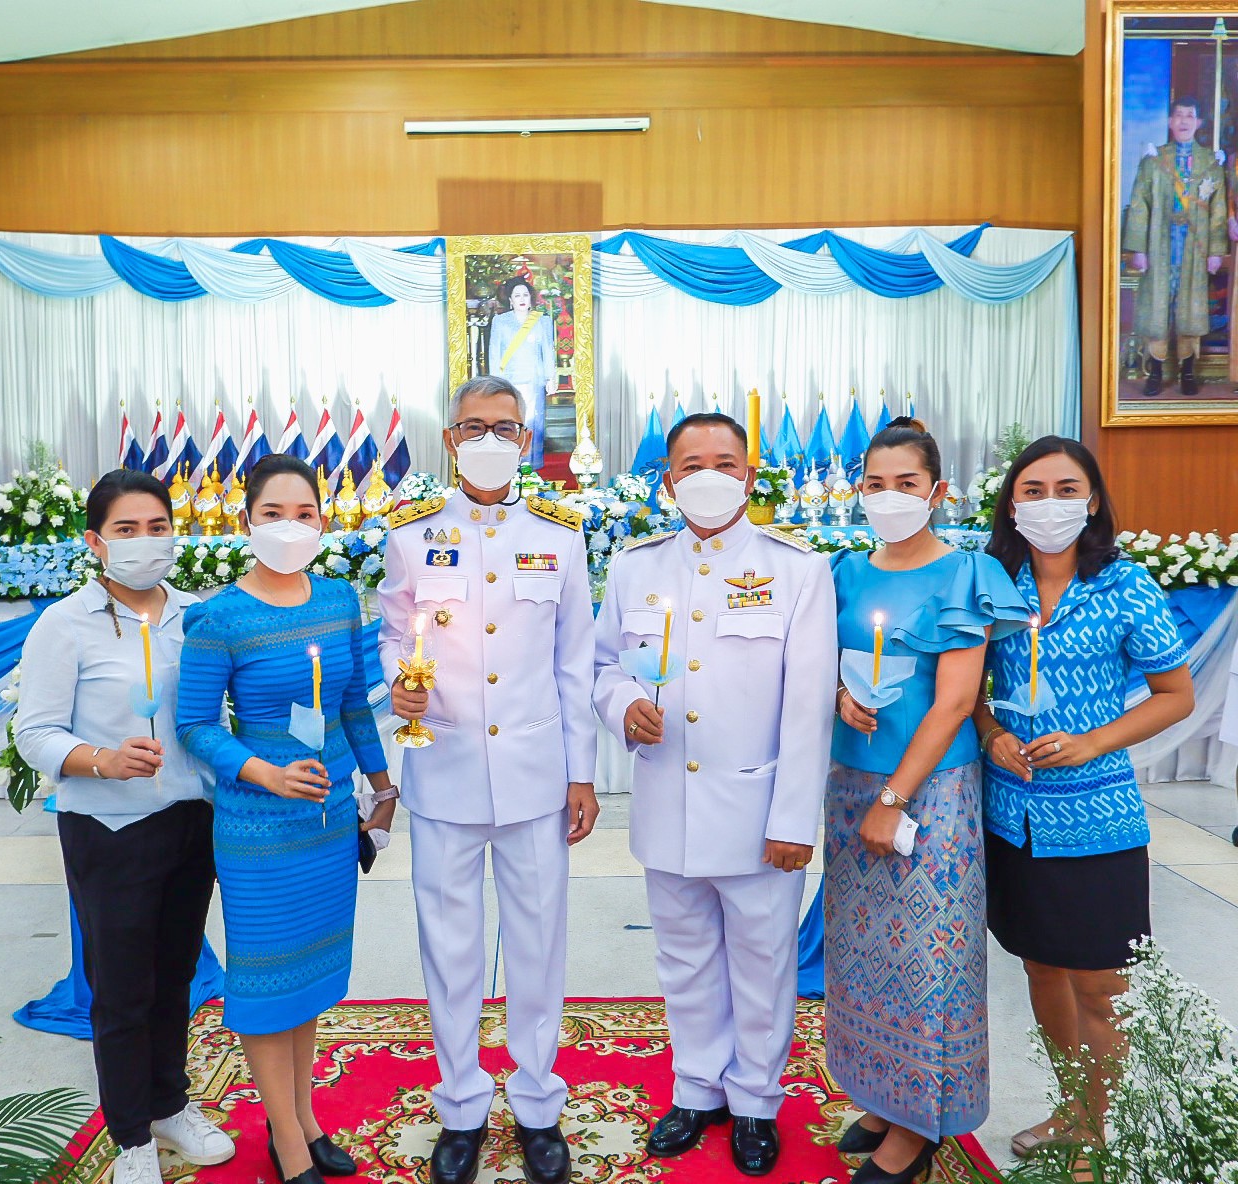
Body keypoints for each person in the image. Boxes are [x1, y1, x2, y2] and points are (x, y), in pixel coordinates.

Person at [593, 412, 838, 1177]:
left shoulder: (796, 569)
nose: (708, 476)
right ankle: (697, 1088)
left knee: (763, 963)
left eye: (724, 463)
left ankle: (756, 1100)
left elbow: (807, 706)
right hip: (667, 805)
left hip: (758, 813)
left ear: (748, 474)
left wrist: (795, 818)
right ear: (668, 479)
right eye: (691, 464)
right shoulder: (635, 566)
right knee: (685, 958)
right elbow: (604, 666)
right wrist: (622, 706)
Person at [377, 375, 598, 1184]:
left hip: (537, 776)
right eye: (473, 427)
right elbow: (393, 633)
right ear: (450, 439)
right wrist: (399, 681)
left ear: (525, 438)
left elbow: (576, 663)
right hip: (445, 769)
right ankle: (462, 1106)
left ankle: (538, 1104)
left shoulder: (560, 536)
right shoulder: (412, 536)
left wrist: (582, 774)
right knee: (450, 947)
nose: (489, 440)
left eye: (504, 427)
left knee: (539, 944)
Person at [176, 454, 395, 1184]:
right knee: (268, 985)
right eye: (273, 513)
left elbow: (354, 704)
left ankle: (304, 1120)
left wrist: (381, 784)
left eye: (304, 513)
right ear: (246, 521)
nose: (289, 526)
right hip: (259, 828)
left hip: (327, 821)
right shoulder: (219, 618)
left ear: (323, 521)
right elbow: (194, 725)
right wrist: (264, 772)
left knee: (310, 978)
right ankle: (288, 1143)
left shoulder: (338, 600)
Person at [976, 436, 1194, 1163]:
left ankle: (1099, 1128)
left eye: (1066, 490)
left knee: (1100, 983)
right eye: (1032, 490)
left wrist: (1094, 741)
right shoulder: (994, 582)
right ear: (1012, 504)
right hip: (1014, 814)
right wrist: (991, 733)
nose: (1049, 504)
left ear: (1092, 501)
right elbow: (965, 685)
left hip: (1097, 814)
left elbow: (1175, 694)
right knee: (1041, 966)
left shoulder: (1124, 584)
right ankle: (1071, 1107)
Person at [824, 418, 1030, 1184]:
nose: (890, 497)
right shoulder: (846, 572)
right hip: (849, 782)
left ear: (937, 491)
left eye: (906, 483)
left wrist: (894, 798)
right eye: (875, 484)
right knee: (862, 955)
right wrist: (839, 692)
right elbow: (823, 661)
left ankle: (919, 1125)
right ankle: (882, 1096)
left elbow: (954, 703)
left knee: (925, 957)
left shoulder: (964, 575)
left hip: (928, 791)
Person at [15, 469, 235, 1184]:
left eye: (157, 527)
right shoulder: (65, 624)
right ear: (95, 541)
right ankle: (131, 1133)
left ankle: (170, 1104)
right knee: (121, 987)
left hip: (190, 819)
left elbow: (214, 714)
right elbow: (34, 732)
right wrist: (102, 760)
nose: (146, 541)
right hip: (109, 828)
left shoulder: (196, 615)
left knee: (176, 975)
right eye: (127, 529)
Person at [1125, 94, 1228, 397]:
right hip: (1160, 245)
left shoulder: (1211, 162)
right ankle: (1155, 372)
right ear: (1170, 121)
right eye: (1179, 115)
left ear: (1199, 122)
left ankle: (1188, 372)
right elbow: (1139, 204)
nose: (1184, 121)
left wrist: (1215, 251)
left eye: (1190, 115)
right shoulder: (1154, 160)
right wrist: (1139, 249)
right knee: (1157, 308)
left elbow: (1219, 210)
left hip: (1194, 248)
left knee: (1190, 310)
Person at [487, 277, 557, 470]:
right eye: (517, 295)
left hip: (534, 380)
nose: (522, 299)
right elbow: (494, 353)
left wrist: (550, 377)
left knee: (533, 423)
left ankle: (531, 465)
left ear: (531, 298)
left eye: (525, 295)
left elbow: (548, 351)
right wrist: (495, 384)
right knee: (510, 423)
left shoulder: (542, 321)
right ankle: (509, 466)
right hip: (508, 382)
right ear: (510, 300)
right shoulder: (500, 321)